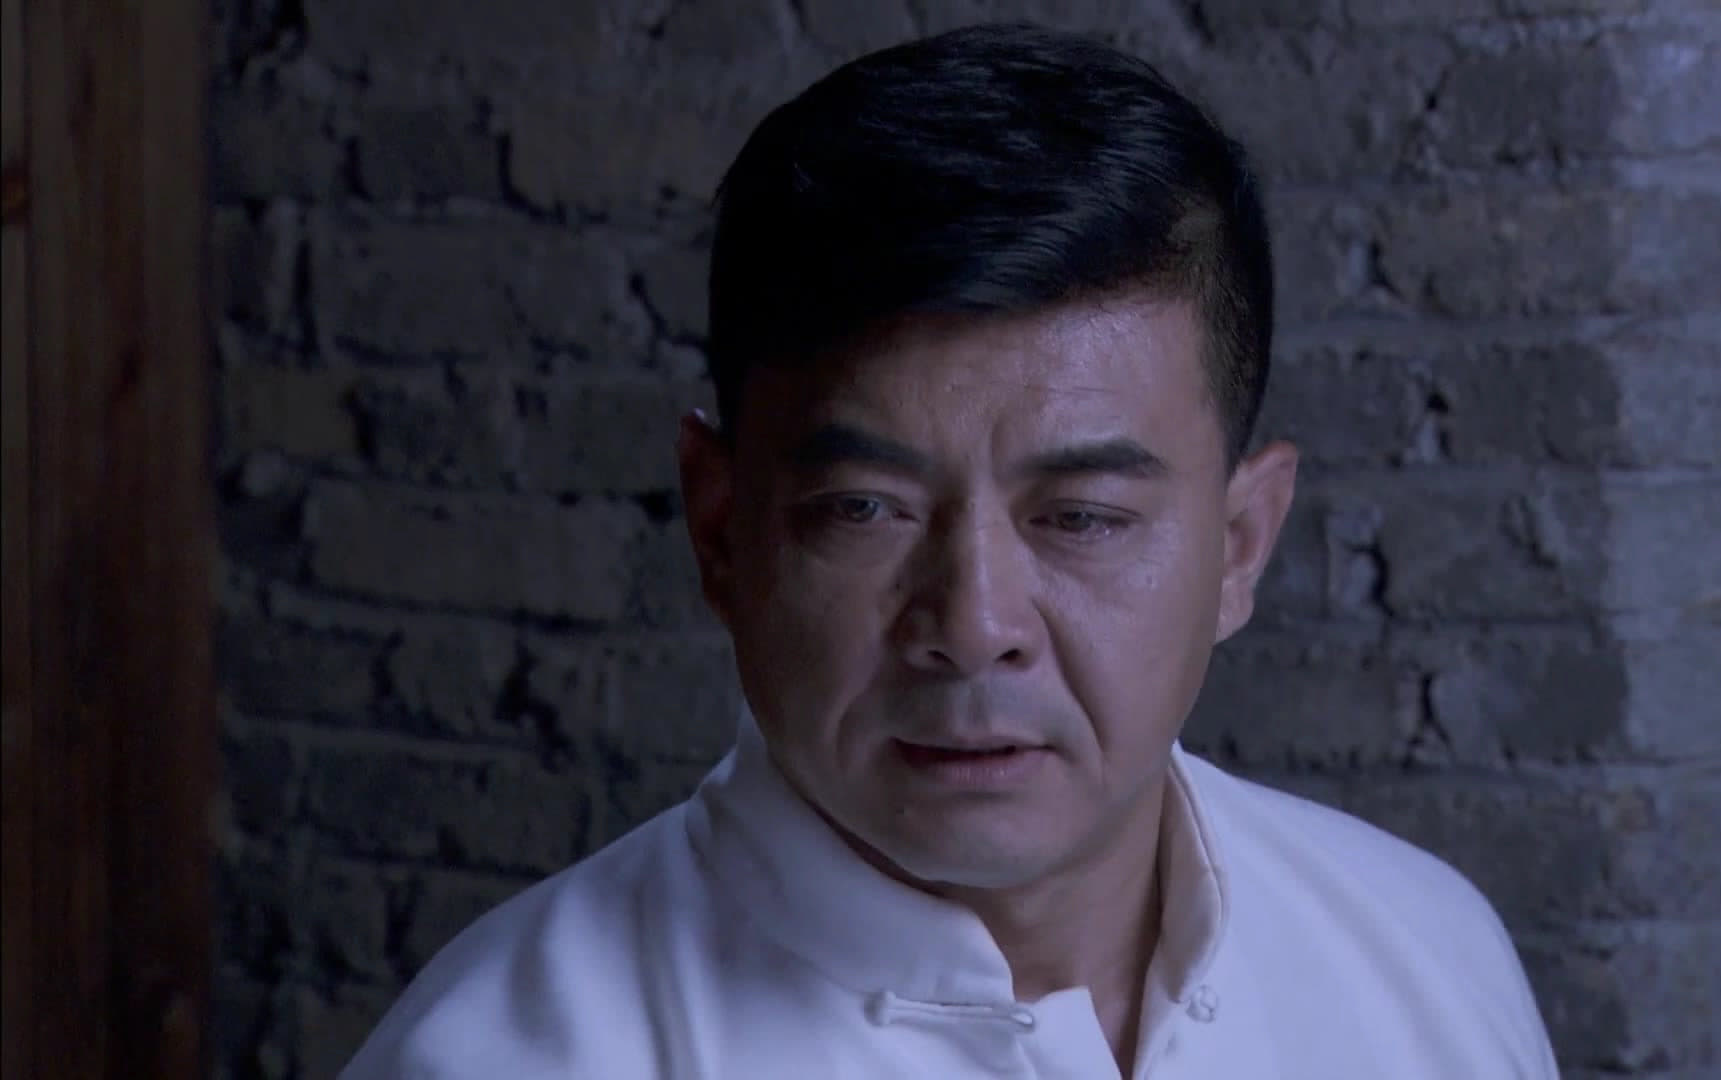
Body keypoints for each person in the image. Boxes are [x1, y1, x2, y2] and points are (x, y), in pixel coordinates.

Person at [342, 23, 1559, 1079]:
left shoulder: (1423, 958)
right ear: (721, 529)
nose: (974, 626)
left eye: (1081, 517)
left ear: (1240, 544)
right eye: (864, 509)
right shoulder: (512, 1054)